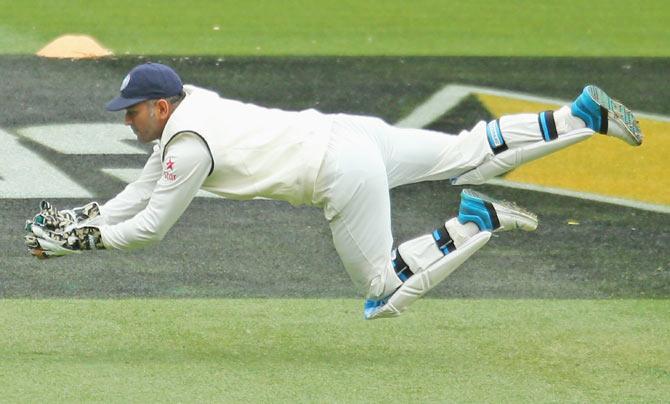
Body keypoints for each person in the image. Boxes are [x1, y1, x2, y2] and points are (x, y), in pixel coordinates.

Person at [24, 62, 643, 319]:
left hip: (340, 175)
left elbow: (151, 225)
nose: (125, 120)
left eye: (132, 112)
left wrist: (83, 241)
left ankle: (475, 221)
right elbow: (136, 192)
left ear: (161, 106)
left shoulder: (188, 147)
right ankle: (583, 116)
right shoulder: (192, 108)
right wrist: (84, 221)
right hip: (351, 134)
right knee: (468, 149)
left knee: (381, 292)